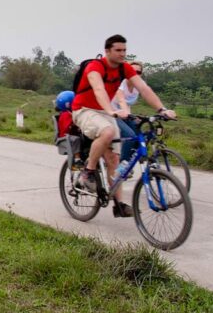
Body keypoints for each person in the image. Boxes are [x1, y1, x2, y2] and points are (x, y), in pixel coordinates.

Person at [72, 35, 176, 217]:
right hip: (84, 109)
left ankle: (118, 205)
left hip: (105, 111)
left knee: (114, 159)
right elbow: (99, 90)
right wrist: (111, 111)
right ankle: (87, 172)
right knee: (108, 130)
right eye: (118, 50)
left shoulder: (125, 68)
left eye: (124, 50)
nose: (122, 54)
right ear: (107, 51)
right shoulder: (95, 67)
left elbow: (144, 89)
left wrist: (162, 109)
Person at [111, 61, 145, 163]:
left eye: (138, 72)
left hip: (126, 114)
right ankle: (122, 163)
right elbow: (121, 100)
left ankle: (129, 159)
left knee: (141, 136)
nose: (135, 74)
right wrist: (127, 113)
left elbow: (148, 96)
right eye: (132, 71)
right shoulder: (121, 83)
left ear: (141, 74)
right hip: (113, 113)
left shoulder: (139, 86)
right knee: (130, 135)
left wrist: (163, 110)